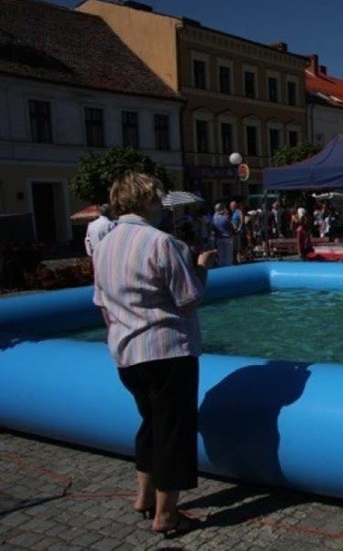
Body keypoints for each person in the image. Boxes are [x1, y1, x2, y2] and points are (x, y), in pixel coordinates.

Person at [92, 171, 216, 537]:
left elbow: (101, 303)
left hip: (126, 353)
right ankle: (167, 516)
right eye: (157, 199)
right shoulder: (163, 243)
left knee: (150, 425)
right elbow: (189, 299)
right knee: (173, 431)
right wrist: (202, 268)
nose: (161, 206)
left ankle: (143, 497)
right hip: (167, 351)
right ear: (146, 200)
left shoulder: (103, 246)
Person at [212, 203, 234, 267]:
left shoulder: (213, 218)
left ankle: (222, 270)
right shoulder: (225, 218)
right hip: (227, 238)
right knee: (228, 257)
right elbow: (230, 227)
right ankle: (228, 271)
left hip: (219, 238)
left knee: (221, 257)